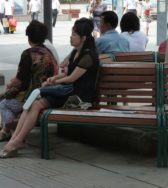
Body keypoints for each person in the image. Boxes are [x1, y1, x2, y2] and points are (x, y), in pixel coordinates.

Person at [0, 18, 99, 158]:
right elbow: (65, 72)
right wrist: (54, 78)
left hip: (77, 96)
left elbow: (72, 78)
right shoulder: (75, 52)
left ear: (83, 38)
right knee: (33, 104)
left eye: (74, 35)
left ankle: (16, 141)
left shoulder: (88, 56)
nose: (71, 37)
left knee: (35, 99)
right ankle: (16, 139)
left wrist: (54, 81)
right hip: (67, 91)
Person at [0, 21, 58, 142]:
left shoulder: (28, 53)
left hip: (33, 96)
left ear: (29, 37)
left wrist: (9, 85)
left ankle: (14, 134)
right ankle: (9, 132)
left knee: (4, 103)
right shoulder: (48, 51)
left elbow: (20, 80)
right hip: (48, 94)